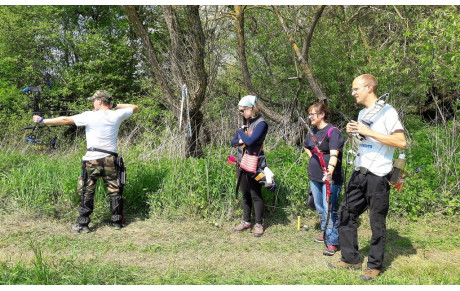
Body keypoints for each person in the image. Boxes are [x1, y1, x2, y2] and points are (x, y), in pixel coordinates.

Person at [328, 74, 407, 281]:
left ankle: (374, 265)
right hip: (359, 171)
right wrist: (353, 133)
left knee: (376, 221)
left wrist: (368, 131)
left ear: (369, 88)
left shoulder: (388, 112)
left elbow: (401, 142)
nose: (353, 93)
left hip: (378, 175)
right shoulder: (363, 112)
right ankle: (350, 258)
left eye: (356, 89)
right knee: (345, 212)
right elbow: (362, 143)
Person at [32, 90, 139, 233]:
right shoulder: (116, 114)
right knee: (115, 190)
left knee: (87, 191)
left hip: (92, 159)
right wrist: (114, 105)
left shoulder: (89, 116)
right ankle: (117, 222)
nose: (92, 103)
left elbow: (65, 120)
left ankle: (83, 225)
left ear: (100, 101)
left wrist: (43, 121)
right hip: (110, 159)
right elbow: (134, 107)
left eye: (94, 100)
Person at [303, 103, 344, 256]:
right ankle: (326, 232)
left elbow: (334, 155)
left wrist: (329, 172)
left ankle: (333, 241)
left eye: (312, 114)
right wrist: (313, 158)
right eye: (309, 114)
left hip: (330, 178)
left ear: (321, 115)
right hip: (314, 175)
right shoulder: (313, 131)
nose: (310, 117)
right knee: (320, 206)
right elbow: (306, 145)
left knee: (329, 209)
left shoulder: (333, 132)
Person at [231, 95, 268, 237]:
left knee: (255, 194)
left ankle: (259, 223)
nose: (241, 114)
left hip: (255, 164)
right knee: (245, 193)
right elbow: (233, 142)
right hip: (242, 162)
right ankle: (246, 221)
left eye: (242, 111)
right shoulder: (246, 123)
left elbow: (251, 141)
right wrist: (242, 138)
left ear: (250, 108)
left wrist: (241, 132)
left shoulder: (261, 123)